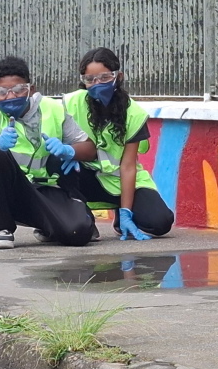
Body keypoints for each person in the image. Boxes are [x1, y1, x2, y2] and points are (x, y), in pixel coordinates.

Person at [0, 56, 100, 250]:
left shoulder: (53, 109)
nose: (11, 96)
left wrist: (69, 150)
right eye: (2, 92)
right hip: (4, 191)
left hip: (45, 188)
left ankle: (52, 225)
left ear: (31, 89)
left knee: (78, 234)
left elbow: (89, 149)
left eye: (19, 90)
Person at [63, 47, 174, 240]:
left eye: (104, 77)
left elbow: (128, 167)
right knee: (57, 167)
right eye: (90, 80)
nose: (97, 84)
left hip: (118, 181)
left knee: (161, 221)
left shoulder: (134, 114)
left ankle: (119, 216)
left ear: (118, 76)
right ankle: (79, 219)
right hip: (83, 175)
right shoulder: (70, 103)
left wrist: (126, 211)